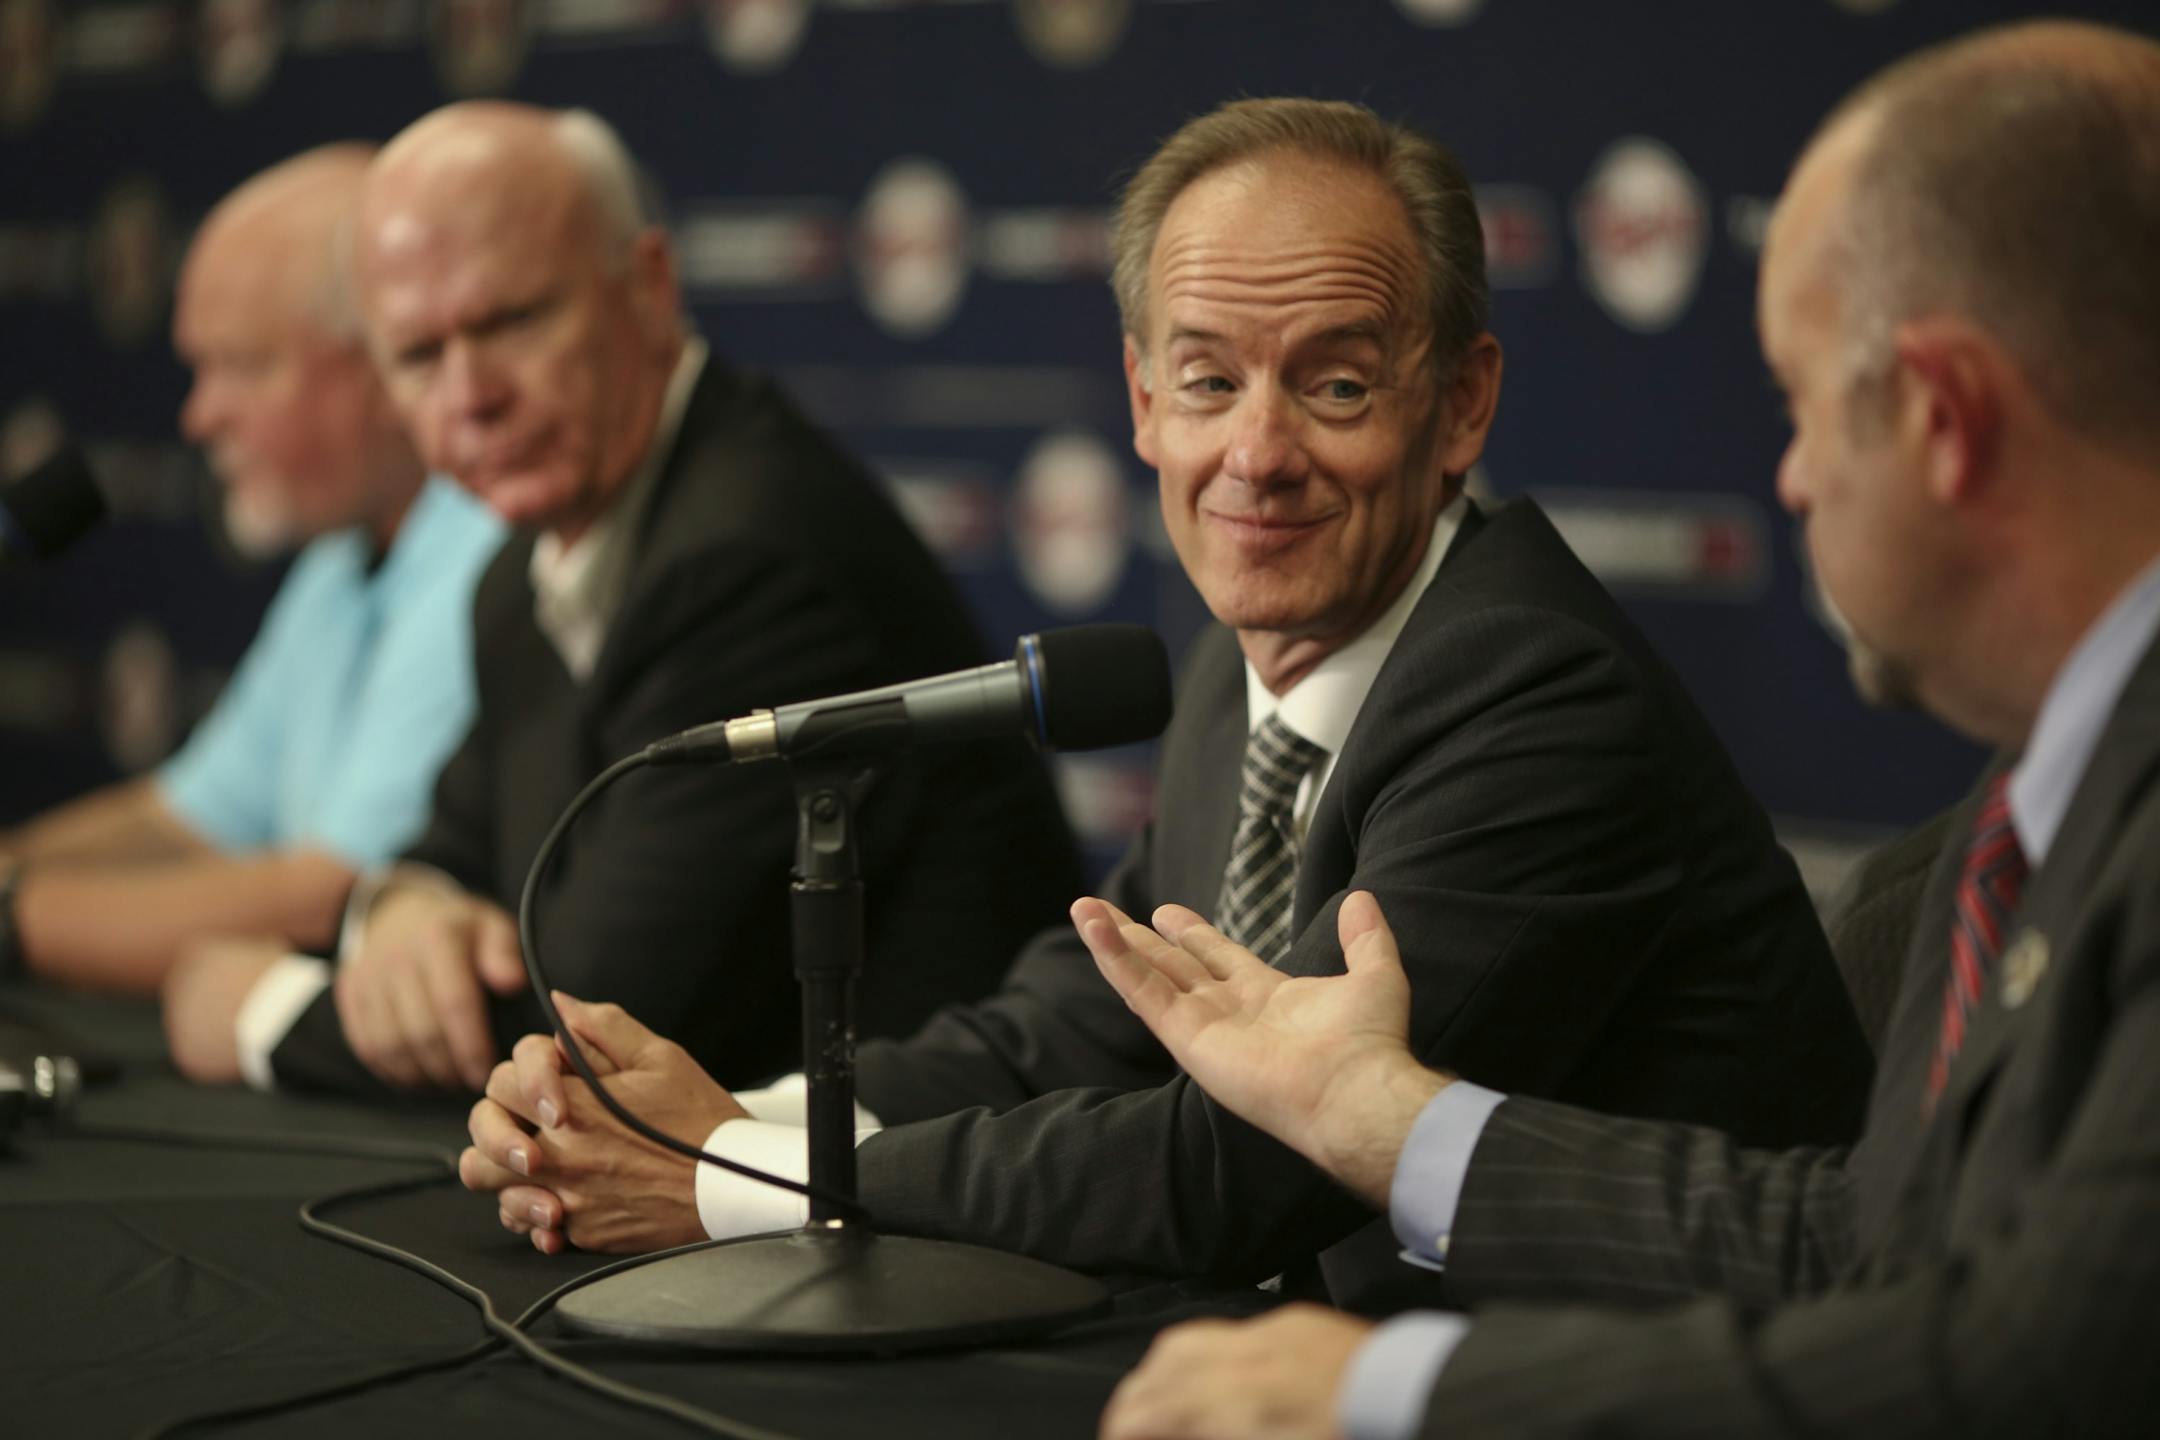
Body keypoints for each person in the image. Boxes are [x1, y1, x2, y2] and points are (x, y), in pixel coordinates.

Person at [460, 99, 1872, 1297]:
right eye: (1208, 381)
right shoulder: (1255, 647)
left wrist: (739, 1176)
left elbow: (1246, 1163)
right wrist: (743, 1113)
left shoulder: (1537, 702)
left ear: (1459, 408)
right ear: (1142, 401)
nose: (1255, 456)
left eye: (1332, 386)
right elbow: (1091, 1013)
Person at [1080, 20, 2160, 1439]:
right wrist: (1387, 1122)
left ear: (1945, 420)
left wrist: (1391, 1393)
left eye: (1800, 408)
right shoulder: (2020, 823)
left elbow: (2032, 1371)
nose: (1787, 481)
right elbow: (1857, 1252)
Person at [158, 103, 1081, 1098]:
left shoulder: (751, 554)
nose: (471, 395)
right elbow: (454, 846)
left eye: (511, 321)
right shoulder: (525, 568)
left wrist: (257, 1008)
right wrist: (405, 913)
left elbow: (583, 1034)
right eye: (420, 357)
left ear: (648, 287)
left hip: (927, 1197)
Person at [0, 146, 503, 1036]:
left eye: (241, 365)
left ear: (386, 365)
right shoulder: (343, 556)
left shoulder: (490, 550)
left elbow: (333, 896)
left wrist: (13, 915)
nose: (199, 416)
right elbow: (193, 817)